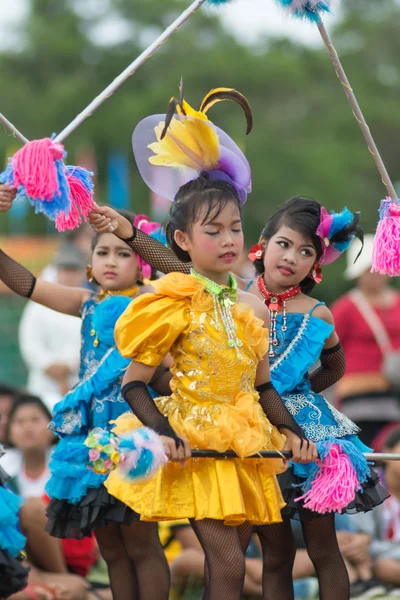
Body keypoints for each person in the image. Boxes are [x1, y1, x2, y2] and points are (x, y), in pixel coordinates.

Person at [98, 84, 317, 600]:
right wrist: (166, 434)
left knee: (233, 566)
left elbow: (263, 387)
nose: (228, 240)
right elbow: (133, 385)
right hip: (193, 447)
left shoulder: (251, 306)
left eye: (235, 229)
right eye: (213, 230)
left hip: (243, 448)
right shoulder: (175, 297)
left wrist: (291, 431)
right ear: (182, 240)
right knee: (226, 566)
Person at [0, 209, 171, 600]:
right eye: (103, 252)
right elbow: (26, 284)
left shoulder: (155, 303)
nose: (111, 261)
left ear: (143, 263)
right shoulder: (87, 302)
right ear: (90, 261)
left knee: (142, 544)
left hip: (136, 432)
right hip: (91, 435)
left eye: (123, 253)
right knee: (112, 550)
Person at [331, 234, 400, 447]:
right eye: (367, 269)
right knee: (364, 453)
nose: (374, 275)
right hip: (357, 396)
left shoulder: (397, 302)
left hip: (393, 393)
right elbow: (329, 350)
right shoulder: (345, 308)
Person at [19, 247, 85, 411]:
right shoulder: (38, 304)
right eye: (65, 270)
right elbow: (30, 343)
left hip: (80, 382)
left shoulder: (90, 303)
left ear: (83, 273)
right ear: (57, 271)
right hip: (43, 384)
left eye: (74, 270)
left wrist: (69, 366)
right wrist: (49, 366)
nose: (69, 275)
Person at [3, 394, 56, 499]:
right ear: (9, 433)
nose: (27, 427)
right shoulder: (3, 467)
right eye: (20, 421)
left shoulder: (68, 465)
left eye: (35, 419)